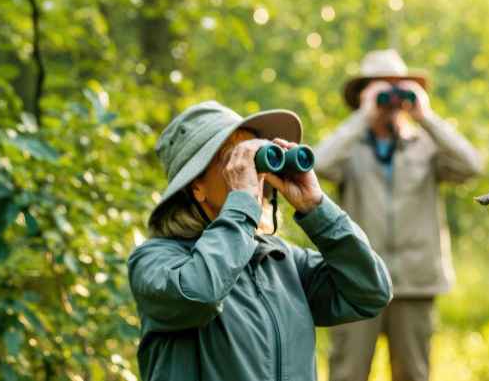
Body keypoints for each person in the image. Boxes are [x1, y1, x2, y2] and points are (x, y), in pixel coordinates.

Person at [128, 100, 392, 381]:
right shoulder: (155, 260)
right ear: (196, 186)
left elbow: (371, 291)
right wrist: (241, 203)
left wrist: (316, 207)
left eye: (253, 153)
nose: (249, 169)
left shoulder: (281, 261)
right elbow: (199, 294)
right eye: (232, 158)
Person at [315, 49, 484, 381]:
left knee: (413, 374)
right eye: (381, 90)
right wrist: (362, 118)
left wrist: (427, 117)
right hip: (357, 279)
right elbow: (318, 165)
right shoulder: (350, 148)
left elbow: (472, 166)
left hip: (415, 281)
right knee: (346, 373)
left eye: (397, 89)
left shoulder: (426, 145)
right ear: (364, 95)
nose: (391, 99)